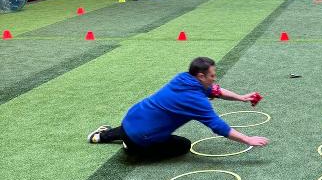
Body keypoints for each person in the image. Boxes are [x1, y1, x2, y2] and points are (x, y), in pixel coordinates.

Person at [87, 57, 268, 159]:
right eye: (212, 75)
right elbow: (218, 126)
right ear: (201, 76)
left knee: (142, 123)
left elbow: (215, 90)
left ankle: (99, 136)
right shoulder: (196, 100)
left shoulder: (183, 78)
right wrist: (247, 139)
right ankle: (132, 149)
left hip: (131, 118)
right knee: (183, 145)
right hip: (141, 137)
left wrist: (241, 97)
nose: (215, 78)